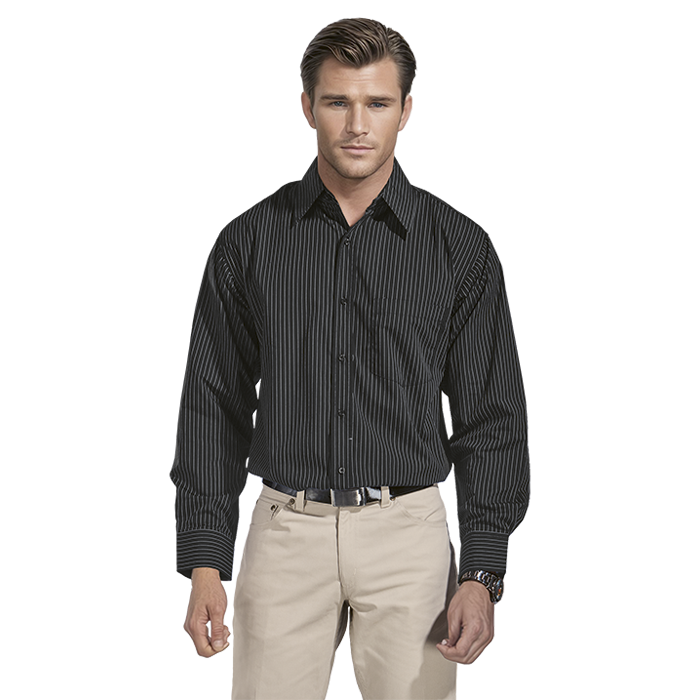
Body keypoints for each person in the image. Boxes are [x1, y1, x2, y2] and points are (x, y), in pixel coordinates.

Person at [170, 16, 530, 699]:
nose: (357, 125)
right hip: (285, 531)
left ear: (407, 110)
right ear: (307, 107)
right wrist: (207, 562)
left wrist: (482, 572)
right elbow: (213, 406)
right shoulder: (247, 242)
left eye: (377, 102)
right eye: (337, 101)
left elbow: (492, 417)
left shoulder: (460, 247)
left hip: (410, 538)